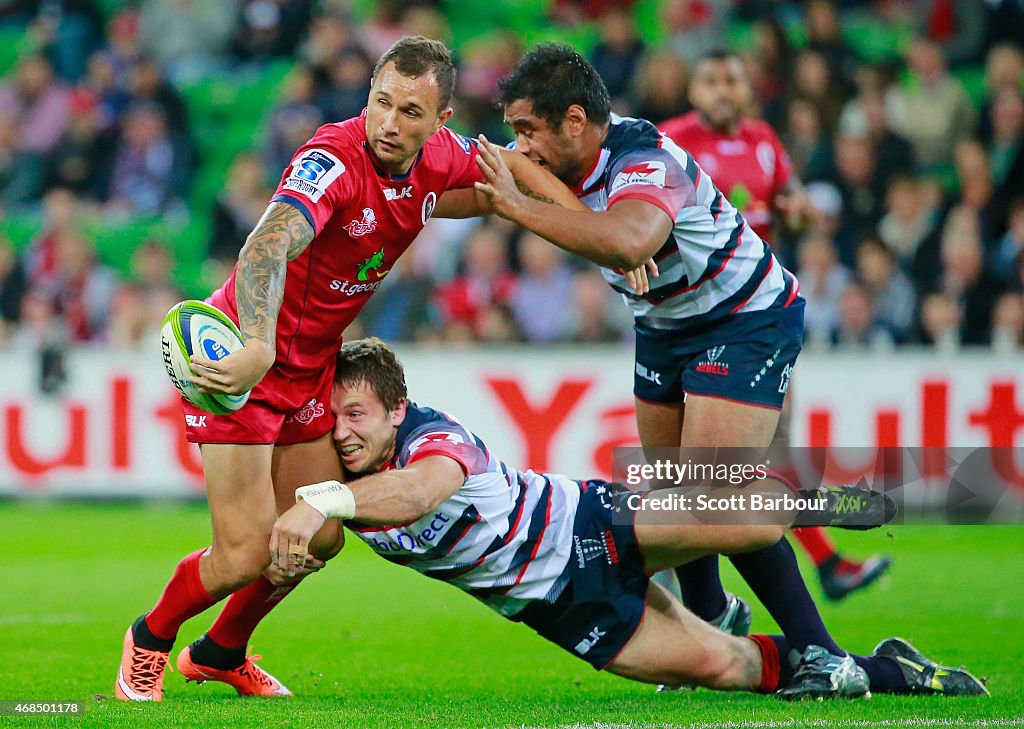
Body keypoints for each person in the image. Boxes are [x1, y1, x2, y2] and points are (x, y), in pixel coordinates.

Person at [114, 36, 589, 703]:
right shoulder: (332, 158)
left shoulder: (440, 161)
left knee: (321, 534)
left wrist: (595, 229)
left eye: (411, 112)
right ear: (368, 93)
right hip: (241, 369)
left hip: (311, 372)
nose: (390, 122)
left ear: (440, 121)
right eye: (382, 102)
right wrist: (254, 345)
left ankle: (220, 651)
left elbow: (505, 173)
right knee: (248, 552)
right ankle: (151, 637)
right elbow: (266, 244)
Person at [436, 43, 885, 697]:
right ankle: (713, 617)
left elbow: (628, 240)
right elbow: (474, 189)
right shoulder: (556, 163)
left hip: (744, 315)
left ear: (574, 123)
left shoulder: (645, 157)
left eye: (529, 129)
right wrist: (401, 196)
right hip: (665, 327)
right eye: (514, 132)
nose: (521, 146)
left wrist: (517, 206)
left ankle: (823, 655)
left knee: (713, 493)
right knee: (676, 493)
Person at [271, 338, 986, 699]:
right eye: (331, 420)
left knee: (732, 517)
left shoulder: (432, 434)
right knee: (728, 666)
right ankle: (901, 673)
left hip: (584, 520)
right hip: (557, 607)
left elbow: (422, 492)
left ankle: (805, 506)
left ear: (396, 408)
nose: (341, 432)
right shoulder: (342, 476)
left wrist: (320, 502)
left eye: (355, 414)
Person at [658, 50, 892, 603]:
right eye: (711, 79)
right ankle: (676, 565)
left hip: (758, 319)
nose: (722, 90)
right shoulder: (671, 141)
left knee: (753, 458)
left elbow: (783, 202)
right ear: (694, 89)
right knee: (713, 464)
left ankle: (683, 577)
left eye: (731, 79)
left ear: (746, 90)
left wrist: (796, 208)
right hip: (690, 318)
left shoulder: (764, 140)